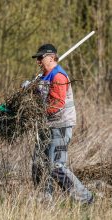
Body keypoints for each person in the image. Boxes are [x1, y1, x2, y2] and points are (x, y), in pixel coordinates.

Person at [30, 44, 93, 204]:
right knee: (39, 165)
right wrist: (29, 90)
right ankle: (44, 202)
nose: (38, 61)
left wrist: (35, 113)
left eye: (40, 58)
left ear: (51, 57)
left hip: (60, 126)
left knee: (56, 166)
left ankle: (85, 200)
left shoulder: (58, 76)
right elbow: (40, 99)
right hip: (45, 126)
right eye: (37, 58)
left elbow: (56, 104)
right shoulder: (43, 77)